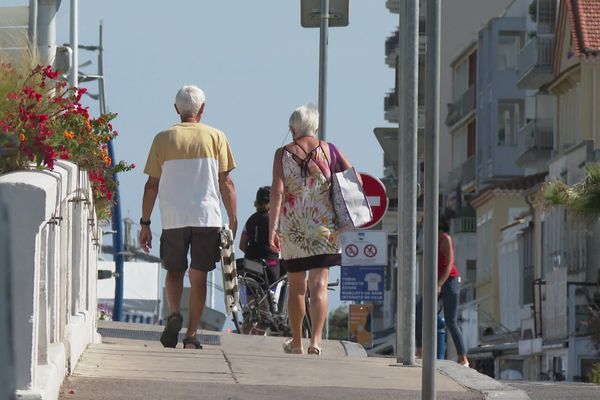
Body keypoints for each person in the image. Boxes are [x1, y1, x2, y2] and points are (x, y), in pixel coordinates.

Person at [139, 85, 237, 349]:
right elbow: (225, 182)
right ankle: (192, 335)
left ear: (176, 110)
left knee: (174, 270)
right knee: (199, 275)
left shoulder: (162, 139)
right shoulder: (216, 137)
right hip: (207, 217)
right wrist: (233, 218)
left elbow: (151, 184)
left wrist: (145, 223)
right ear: (202, 109)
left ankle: (174, 314)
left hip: (173, 217)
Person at [268, 104, 349, 355]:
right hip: (324, 226)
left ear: (293, 128)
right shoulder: (330, 150)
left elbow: (278, 191)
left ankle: (296, 341)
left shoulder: (282, 154)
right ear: (314, 126)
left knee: (296, 286)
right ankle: (316, 340)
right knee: (319, 285)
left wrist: (273, 227)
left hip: (293, 227)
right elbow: (350, 178)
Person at [416, 215, 469, 366]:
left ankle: (463, 357)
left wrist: (439, 284)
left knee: (451, 320)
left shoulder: (445, 239)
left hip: (451, 280)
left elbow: (449, 265)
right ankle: (420, 350)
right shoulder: (430, 240)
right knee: (420, 311)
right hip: (437, 281)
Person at [239, 186, 281, 285]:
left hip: (251, 265)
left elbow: (242, 245)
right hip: (270, 266)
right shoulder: (274, 221)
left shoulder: (250, 220)